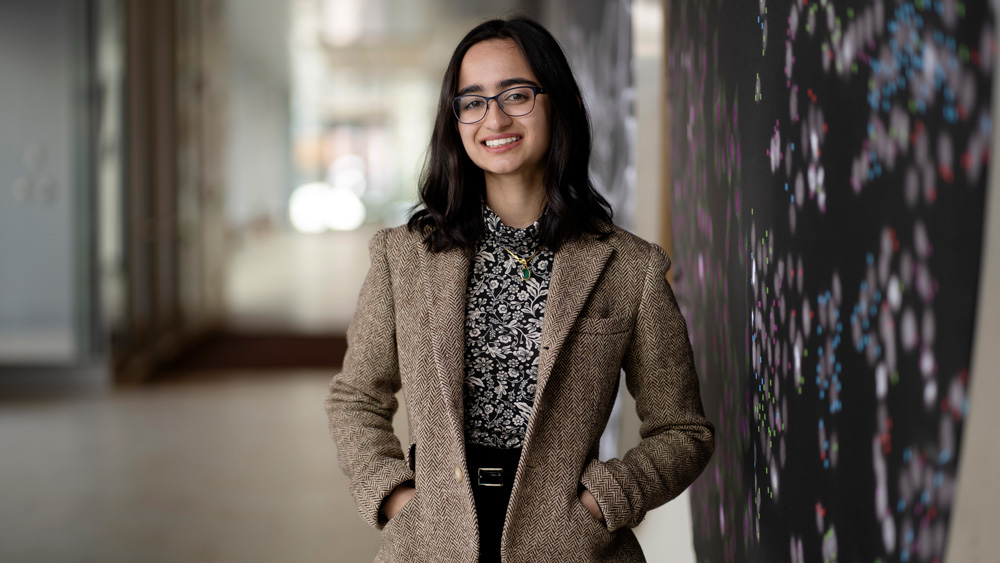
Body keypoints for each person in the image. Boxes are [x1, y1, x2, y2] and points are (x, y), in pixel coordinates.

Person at [325, 16, 714, 563]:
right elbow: (357, 398)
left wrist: (604, 502)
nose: (496, 118)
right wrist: (395, 499)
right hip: (433, 541)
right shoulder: (404, 256)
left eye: (517, 94)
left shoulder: (630, 266)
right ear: (455, 119)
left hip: (571, 545)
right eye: (474, 101)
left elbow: (683, 430)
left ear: (560, 103)